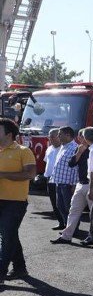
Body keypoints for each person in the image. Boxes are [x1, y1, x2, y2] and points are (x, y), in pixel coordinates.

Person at [0, 117, 37, 282]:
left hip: (15, 202)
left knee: (7, 236)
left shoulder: (23, 151)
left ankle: (0, 273)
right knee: (10, 234)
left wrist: (3, 175)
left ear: (8, 134)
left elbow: (30, 174)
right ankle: (20, 268)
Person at [52, 132, 90, 245]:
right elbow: (72, 164)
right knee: (72, 210)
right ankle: (66, 236)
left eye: (82, 136)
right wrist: (79, 152)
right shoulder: (78, 148)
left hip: (89, 184)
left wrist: (73, 184)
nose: (79, 138)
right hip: (79, 184)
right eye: (79, 136)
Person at [50, 126, 78, 231]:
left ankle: (73, 229)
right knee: (60, 206)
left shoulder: (75, 147)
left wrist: (74, 185)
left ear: (68, 135)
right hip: (59, 182)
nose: (58, 136)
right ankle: (67, 228)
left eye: (60, 134)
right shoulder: (63, 146)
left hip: (68, 184)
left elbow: (76, 168)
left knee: (69, 208)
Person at [43, 128, 62, 228]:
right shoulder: (49, 148)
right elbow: (47, 162)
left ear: (59, 137)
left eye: (52, 137)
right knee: (54, 202)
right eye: (49, 137)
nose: (50, 139)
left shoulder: (63, 149)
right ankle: (60, 222)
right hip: (49, 178)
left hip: (59, 179)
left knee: (61, 203)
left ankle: (67, 224)